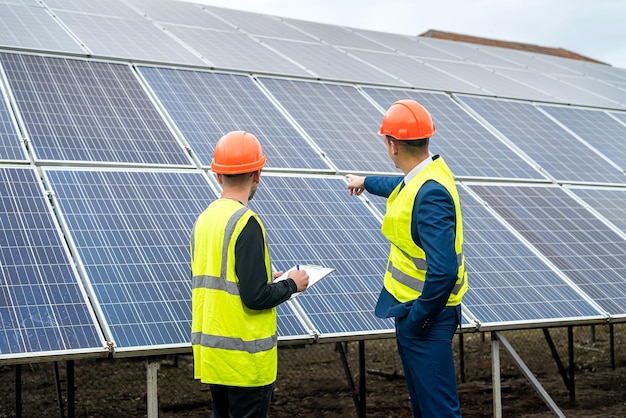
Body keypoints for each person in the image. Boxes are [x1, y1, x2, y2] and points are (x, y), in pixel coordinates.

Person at [345, 100, 468, 418]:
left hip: (427, 316)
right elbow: (402, 186)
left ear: (392, 145)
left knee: (438, 411)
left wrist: (419, 319)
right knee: (424, 407)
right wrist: (366, 182)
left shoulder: (430, 195)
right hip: (417, 310)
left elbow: (444, 271)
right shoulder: (428, 174)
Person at [190, 130, 309, 418]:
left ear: (218, 175)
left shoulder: (205, 219)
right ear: (258, 174)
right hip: (245, 361)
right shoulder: (247, 222)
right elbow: (255, 297)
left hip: (215, 355)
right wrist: (293, 284)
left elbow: (225, 278)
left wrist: (268, 277)